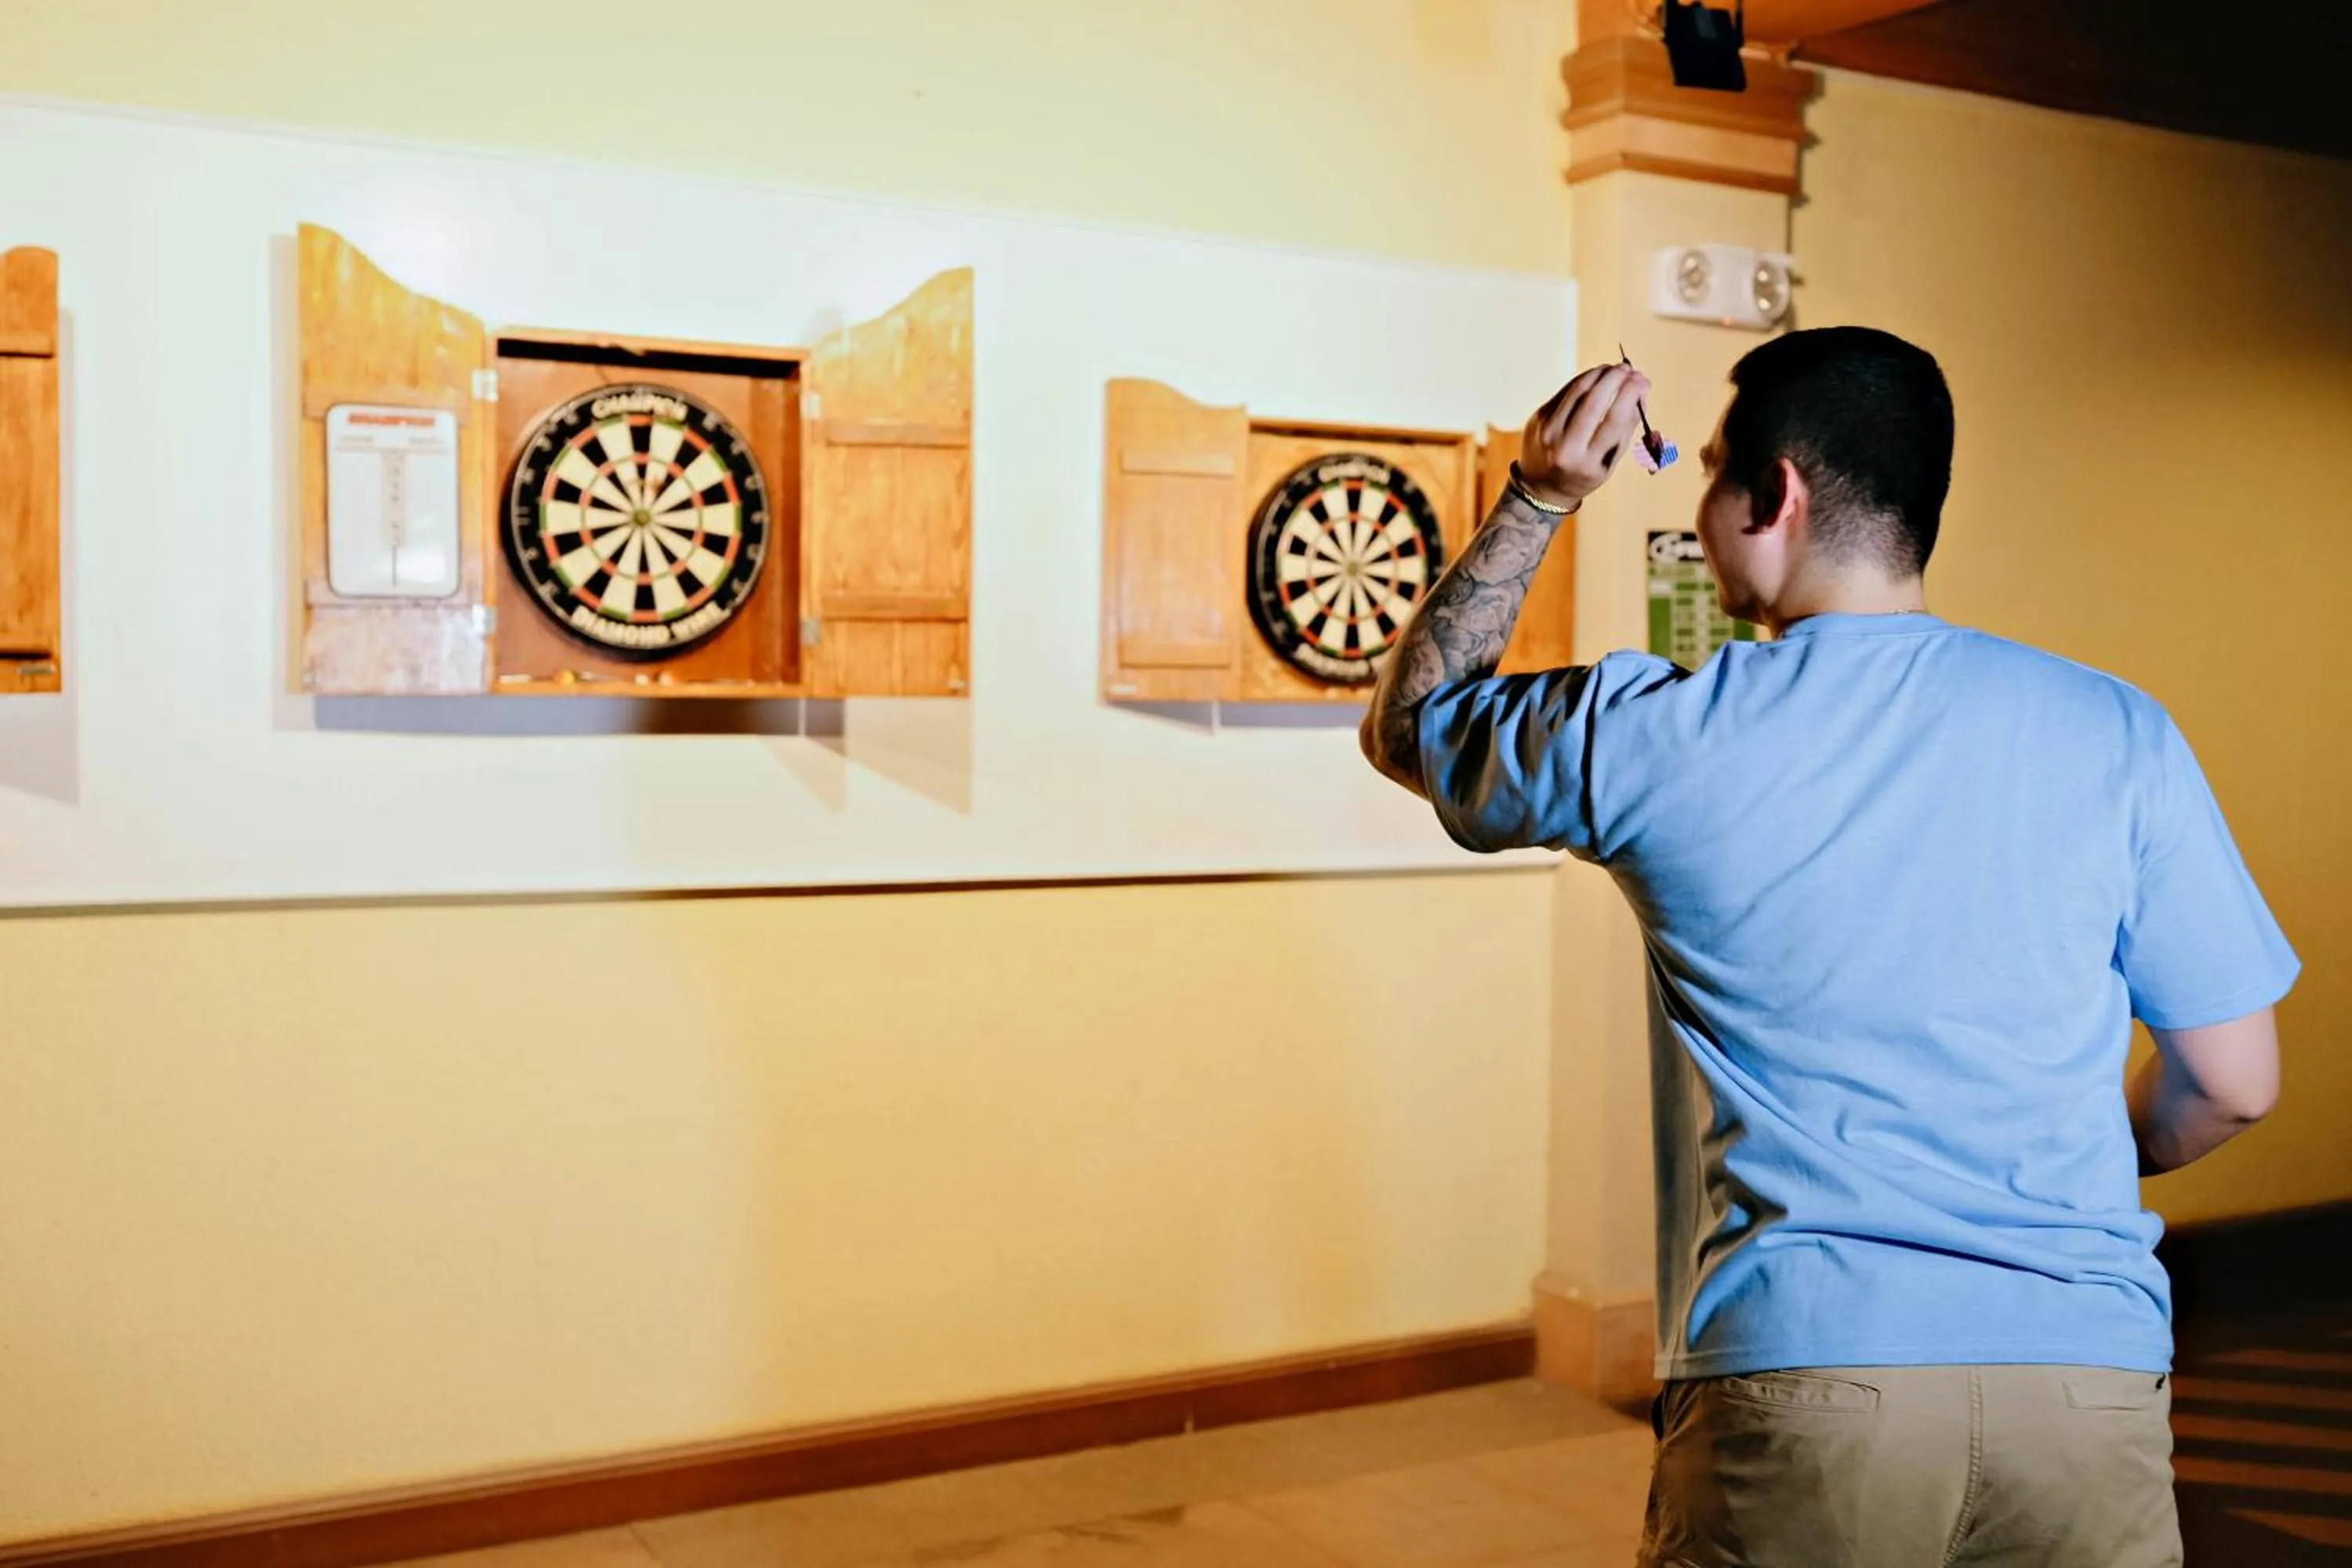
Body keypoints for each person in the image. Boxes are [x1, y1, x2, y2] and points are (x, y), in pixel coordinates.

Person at [1359, 328, 2299, 1568]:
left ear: (1777, 494)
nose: (1700, 508)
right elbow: (2234, 1082)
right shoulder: (2117, 728)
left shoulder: (1655, 733)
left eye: (1709, 473)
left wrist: (1543, 493)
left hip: (1803, 1379)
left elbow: (1412, 723)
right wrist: (2055, 1164)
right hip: (2086, 1379)